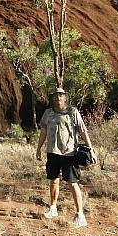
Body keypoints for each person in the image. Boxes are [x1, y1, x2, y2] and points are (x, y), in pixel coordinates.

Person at [36, 87, 97, 227]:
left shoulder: (73, 112)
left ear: (65, 98)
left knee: (72, 182)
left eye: (61, 96)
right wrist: (39, 148)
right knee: (53, 180)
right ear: (53, 98)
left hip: (69, 153)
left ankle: (80, 215)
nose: (58, 98)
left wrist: (91, 150)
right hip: (52, 151)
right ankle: (53, 208)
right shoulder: (48, 113)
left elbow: (83, 132)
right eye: (56, 96)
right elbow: (43, 131)